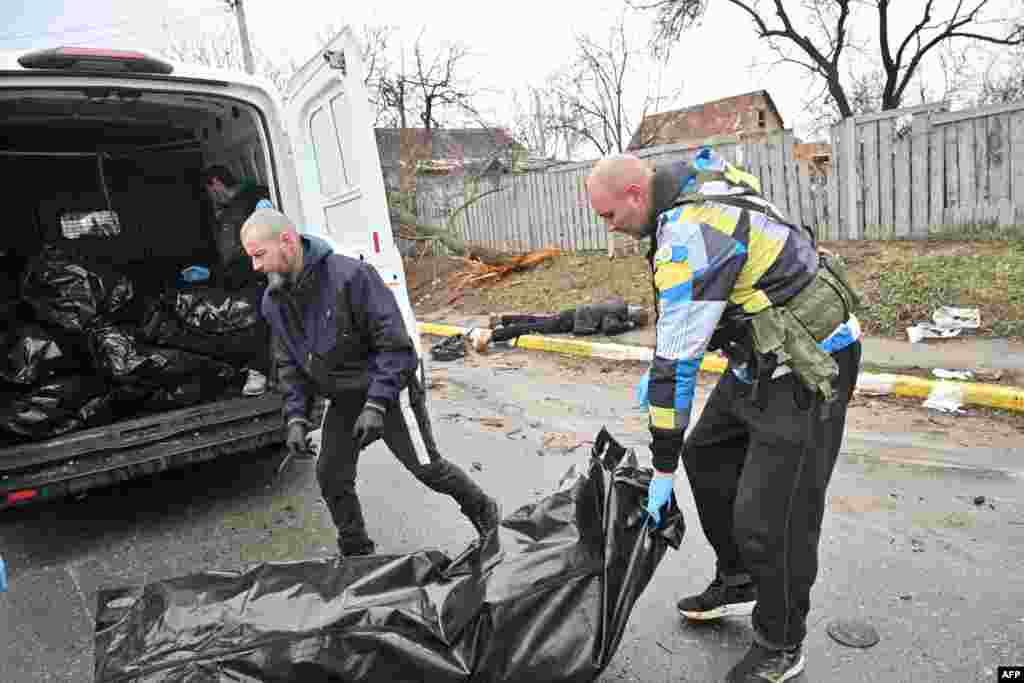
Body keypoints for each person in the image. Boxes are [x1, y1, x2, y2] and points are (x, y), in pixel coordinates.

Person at [585, 148, 862, 682]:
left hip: (811, 362)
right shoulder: (696, 180)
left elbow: (676, 364)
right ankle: (740, 578)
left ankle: (782, 643)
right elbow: (729, 279)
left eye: (610, 216)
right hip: (761, 353)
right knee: (706, 452)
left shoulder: (689, 233)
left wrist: (660, 471)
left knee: (772, 521)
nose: (609, 228)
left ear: (636, 194)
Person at [240, 208, 501, 557]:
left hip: (391, 390)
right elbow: (290, 364)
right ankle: (357, 552)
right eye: (251, 258)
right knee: (331, 474)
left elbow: (397, 347)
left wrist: (377, 404)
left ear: (287, 241)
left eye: (260, 255)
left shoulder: (351, 277)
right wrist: (297, 419)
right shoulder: (274, 301)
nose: (255, 266)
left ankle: (484, 510)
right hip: (346, 398)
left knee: (427, 468)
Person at [201, 164, 275, 396]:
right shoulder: (229, 209)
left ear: (216, 183)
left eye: (210, 190)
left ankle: (259, 372)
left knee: (258, 321)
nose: (211, 196)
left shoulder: (252, 197)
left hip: (257, 272)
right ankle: (262, 370)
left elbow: (264, 198)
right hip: (241, 274)